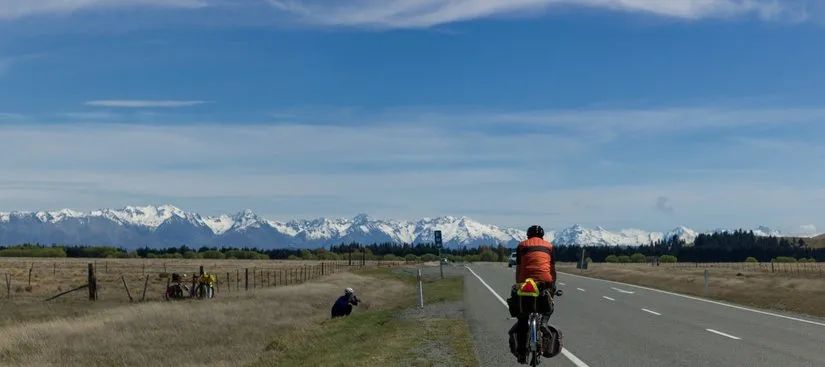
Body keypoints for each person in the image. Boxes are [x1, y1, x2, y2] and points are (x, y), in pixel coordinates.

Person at [509, 225, 556, 364]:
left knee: (523, 318)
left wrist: (519, 285)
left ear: (528, 235)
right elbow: (552, 270)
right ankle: (543, 323)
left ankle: (522, 353)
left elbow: (518, 268)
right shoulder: (549, 246)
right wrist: (552, 287)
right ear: (542, 236)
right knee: (549, 307)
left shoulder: (522, 245)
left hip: (526, 283)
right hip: (544, 283)